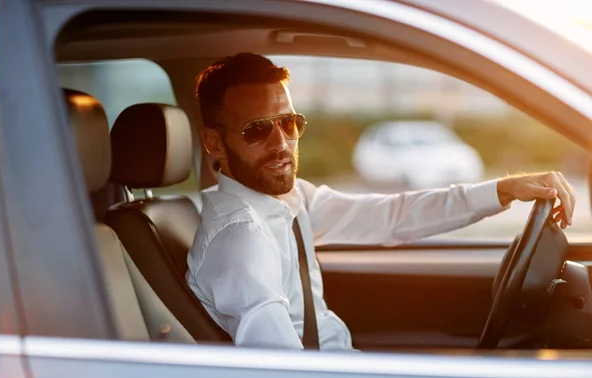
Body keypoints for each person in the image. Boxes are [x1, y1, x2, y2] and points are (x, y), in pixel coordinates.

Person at [186, 53, 576, 351]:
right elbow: (283, 375)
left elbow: (393, 215)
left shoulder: (289, 198)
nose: (281, 144)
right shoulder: (240, 237)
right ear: (215, 142)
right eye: (257, 130)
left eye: (289, 124)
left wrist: (504, 190)